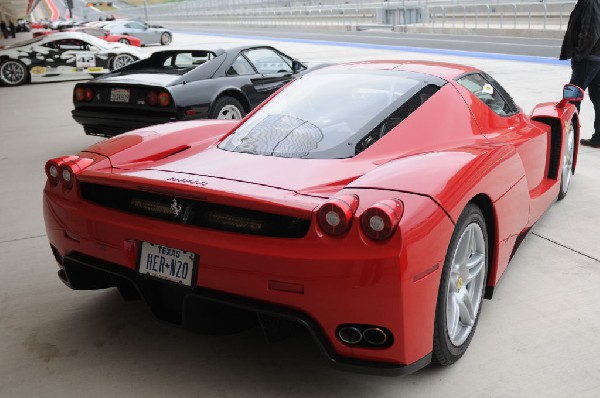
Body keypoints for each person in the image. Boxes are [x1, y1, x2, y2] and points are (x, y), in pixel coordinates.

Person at [560, 0, 600, 148]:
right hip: (596, 57)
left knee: (573, 97)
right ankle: (598, 138)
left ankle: (568, 139)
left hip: (588, 58)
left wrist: (579, 55)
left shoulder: (590, 1)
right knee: (598, 99)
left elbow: (590, 31)